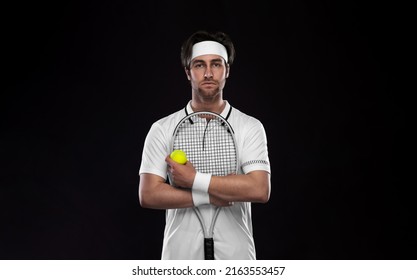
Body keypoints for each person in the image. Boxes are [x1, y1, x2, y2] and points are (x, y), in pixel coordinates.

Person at [138, 30, 271, 260]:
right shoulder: (162, 129)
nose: (208, 73)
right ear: (188, 72)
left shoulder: (250, 127)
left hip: (236, 261)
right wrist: (208, 195)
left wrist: (194, 180)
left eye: (216, 64)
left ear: (227, 70)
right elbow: (148, 193)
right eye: (199, 65)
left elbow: (259, 189)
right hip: (179, 260)